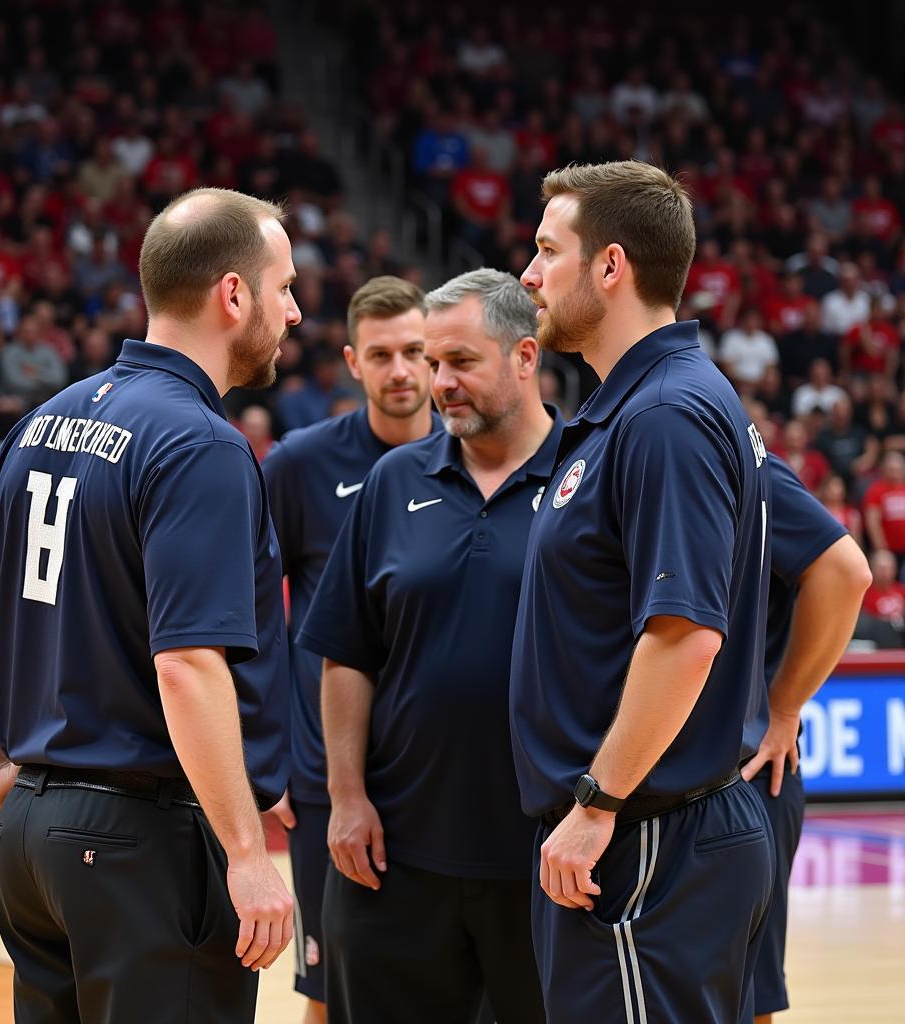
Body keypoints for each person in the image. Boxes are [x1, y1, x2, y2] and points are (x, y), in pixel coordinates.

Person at [0, 187, 299, 1023]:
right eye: (284, 287)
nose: (294, 312)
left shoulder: (46, 418)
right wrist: (248, 852)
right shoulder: (201, 446)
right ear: (234, 294)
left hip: (36, 835)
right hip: (142, 845)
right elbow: (188, 664)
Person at [513, 161, 774, 1023]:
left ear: (611, 267)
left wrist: (599, 802)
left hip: (646, 840)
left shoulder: (663, 416)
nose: (528, 273)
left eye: (548, 249)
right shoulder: (631, 410)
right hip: (635, 837)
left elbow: (685, 634)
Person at [299, 269, 557, 1024]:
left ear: (524, 357)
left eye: (460, 362)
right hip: (396, 855)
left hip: (544, 860)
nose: (439, 383)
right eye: (434, 363)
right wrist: (346, 798)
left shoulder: (591, 475)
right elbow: (346, 652)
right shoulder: (392, 480)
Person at [261, 275, 440, 1023]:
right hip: (325, 781)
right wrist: (262, 757)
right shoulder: (299, 464)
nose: (400, 370)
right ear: (351, 362)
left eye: (414, 352)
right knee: (330, 990)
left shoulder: (478, 455)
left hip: (440, 780)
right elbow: (245, 612)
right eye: (381, 354)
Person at [741, 455, 870, 1023]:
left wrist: (785, 705)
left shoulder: (744, 464)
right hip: (680, 770)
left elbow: (847, 573)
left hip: (749, 770)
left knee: (752, 987)